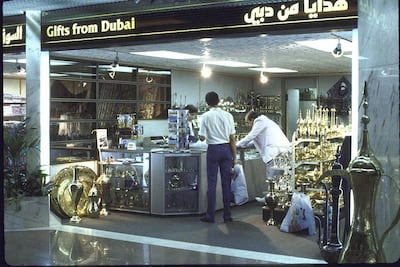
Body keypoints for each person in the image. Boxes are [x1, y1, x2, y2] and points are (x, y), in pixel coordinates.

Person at [198, 91, 237, 223]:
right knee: (226, 183)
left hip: (213, 149)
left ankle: (210, 215)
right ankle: (227, 215)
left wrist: (203, 135)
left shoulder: (205, 116)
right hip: (226, 149)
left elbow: (202, 137)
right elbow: (232, 138)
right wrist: (234, 156)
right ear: (219, 101)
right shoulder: (228, 115)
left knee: (212, 183)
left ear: (206, 102)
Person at [237, 110, 291, 180]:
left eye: (248, 122)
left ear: (253, 120)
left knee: (273, 180)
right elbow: (255, 141)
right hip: (281, 152)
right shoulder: (265, 122)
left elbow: (250, 136)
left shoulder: (259, 122)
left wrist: (236, 145)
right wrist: (245, 145)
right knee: (280, 180)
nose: (247, 125)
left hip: (275, 154)